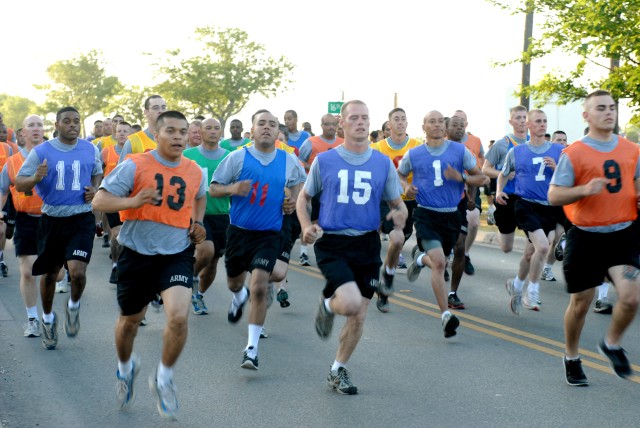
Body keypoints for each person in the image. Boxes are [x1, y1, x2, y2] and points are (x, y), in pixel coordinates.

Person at [92, 110, 207, 419]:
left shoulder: (195, 170)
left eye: (183, 131)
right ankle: (125, 368)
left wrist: (198, 224)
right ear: (156, 135)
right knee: (129, 322)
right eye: (171, 131)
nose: (178, 137)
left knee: (179, 317)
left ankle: (164, 377)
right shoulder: (135, 165)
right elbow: (99, 202)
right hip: (136, 253)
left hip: (176, 253)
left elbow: (199, 197)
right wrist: (132, 202)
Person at [297, 100, 406, 395]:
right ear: (342, 124)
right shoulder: (326, 160)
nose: (361, 122)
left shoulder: (382, 162)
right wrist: (306, 226)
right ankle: (328, 305)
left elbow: (398, 204)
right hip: (333, 242)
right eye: (354, 118)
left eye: (365, 118)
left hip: (367, 243)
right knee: (350, 303)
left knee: (359, 315)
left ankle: (337, 370)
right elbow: (303, 198)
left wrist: (399, 218)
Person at [549, 89, 640, 386]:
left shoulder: (631, 149)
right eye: (600, 108)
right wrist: (583, 190)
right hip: (586, 237)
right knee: (581, 304)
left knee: (631, 297)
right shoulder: (574, 153)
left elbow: (636, 184)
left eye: (612, 107)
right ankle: (571, 356)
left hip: (622, 235)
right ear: (586, 115)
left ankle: (611, 344)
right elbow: (554, 195)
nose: (608, 112)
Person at [210, 110, 305, 371]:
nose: (266, 128)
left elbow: (299, 185)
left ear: (278, 133)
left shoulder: (288, 160)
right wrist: (232, 189)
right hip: (239, 232)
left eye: (272, 125)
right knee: (234, 282)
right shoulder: (237, 157)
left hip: (270, 233)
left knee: (260, 284)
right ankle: (238, 295)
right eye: (261, 123)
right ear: (252, 130)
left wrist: (292, 201)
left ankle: (251, 348)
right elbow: (214, 188)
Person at [15, 106, 103, 350]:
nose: (73, 125)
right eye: (67, 121)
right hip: (52, 220)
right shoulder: (42, 152)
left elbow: (97, 173)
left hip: (81, 219)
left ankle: (73, 306)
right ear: (57, 125)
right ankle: (47, 319)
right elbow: (20, 184)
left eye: (76, 121)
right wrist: (35, 178)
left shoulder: (90, 148)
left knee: (77, 273)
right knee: (51, 275)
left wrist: (94, 188)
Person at [402, 111, 483, 338]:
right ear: (423, 127)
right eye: (432, 122)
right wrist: (405, 187)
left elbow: (482, 178)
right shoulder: (415, 154)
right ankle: (446, 315)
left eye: (440, 122)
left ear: (444, 127)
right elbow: (399, 175)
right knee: (439, 263)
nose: (437, 125)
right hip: (426, 214)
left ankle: (419, 259)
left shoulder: (459, 151)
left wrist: (462, 178)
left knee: (441, 260)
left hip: (451, 215)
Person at [497, 109, 563, 314]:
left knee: (529, 253)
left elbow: (568, 178)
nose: (542, 124)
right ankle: (532, 291)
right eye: (538, 121)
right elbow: (503, 175)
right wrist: (499, 190)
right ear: (528, 125)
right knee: (543, 247)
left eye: (545, 121)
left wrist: (557, 168)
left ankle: (516, 285)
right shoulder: (516, 151)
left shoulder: (558, 151)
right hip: (525, 204)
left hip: (549, 206)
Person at [370, 107, 422, 312]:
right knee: (396, 239)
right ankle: (386, 278)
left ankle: (388, 272)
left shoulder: (417, 146)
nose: (400, 123)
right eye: (396, 119)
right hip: (386, 201)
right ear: (388, 125)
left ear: (407, 124)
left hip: (410, 202)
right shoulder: (377, 148)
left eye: (403, 119)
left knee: (401, 241)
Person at [0, 115, 45, 337]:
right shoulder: (13, 162)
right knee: (28, 272)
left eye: (39, 125)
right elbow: (2, 190)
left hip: (54, 219)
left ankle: (48, 314)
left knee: (53, 274)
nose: (36, 129)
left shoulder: (55, 157)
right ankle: (33, 319)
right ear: (23, 133)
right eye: (31, 125)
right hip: (26, 219)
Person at [183, 118, 230, 315]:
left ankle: (198, 294)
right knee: (206, 251)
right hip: (195, 215)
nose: (212, 131)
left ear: (221, 132)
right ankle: (186, 279)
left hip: (222, 215)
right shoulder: (187, 155)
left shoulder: (230, 157)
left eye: (216, 128)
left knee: (213, 262)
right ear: (200, 132)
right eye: (208, 128)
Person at [444, 116, 482, 310]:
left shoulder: (466, 152)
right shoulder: (434, 149)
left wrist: (471, 198)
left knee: (459, 247)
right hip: (435, 207)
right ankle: (427, 257)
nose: (459, 129)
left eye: (462, 126)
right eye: (454, 125)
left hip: (458, 204)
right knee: (440, 250)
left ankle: (452, 293)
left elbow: (475, 176)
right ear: (446, 128)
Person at [297, 114, 344, 266]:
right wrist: (315, 168)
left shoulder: (342, 143)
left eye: (333, 124)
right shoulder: (311, 142)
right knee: (309, 221)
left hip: (335, 190)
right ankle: (303, 252)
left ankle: (335, 252)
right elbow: (299, 162)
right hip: (314, 188)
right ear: (321, 125)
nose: (331, 127)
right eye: (327, 124)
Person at [483, 106, 529, 253]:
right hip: (507, 197)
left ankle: (530, 265)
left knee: (538, 239)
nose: (522, 121)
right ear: (511, 121)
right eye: (518, 118)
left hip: (528, 198)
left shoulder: (534, 142)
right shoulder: (502, 144)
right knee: (506, 248)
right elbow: (485, 169)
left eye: (524, 117)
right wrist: (503, 173)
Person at [452, 110, 486, 276]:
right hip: (452, 187)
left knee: (473, 221)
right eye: (455, 121)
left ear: (467, 123)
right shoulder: (445, 141)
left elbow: (482, 160)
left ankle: (465, 254)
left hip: (471, 185)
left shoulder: (476, 141)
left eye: (462, 121)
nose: (459, 125)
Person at [101, 121, 132, 284]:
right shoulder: (106, 151)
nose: (121, 134)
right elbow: (99, 171)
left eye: (125, 131)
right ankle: (115, 265)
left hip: (131, 198)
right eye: (119, 131)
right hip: (112, 196)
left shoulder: (134, 149)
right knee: (117, 233)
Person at [119, 95, 167, 161]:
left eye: (163, 107)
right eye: (155, 108)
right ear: (146, 112)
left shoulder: (175, 139)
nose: (161, 111)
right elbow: (123, 170)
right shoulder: (133, 141)